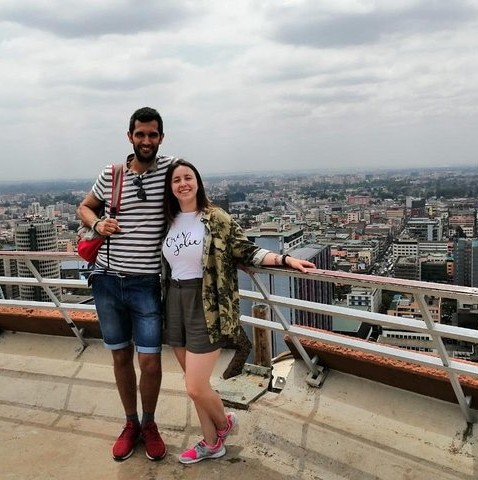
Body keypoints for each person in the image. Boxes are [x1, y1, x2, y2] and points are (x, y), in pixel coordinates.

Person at [161, 159, 316, 464]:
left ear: (197, 181)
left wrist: (285, 260)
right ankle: (211, 443)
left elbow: (248, 251)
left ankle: (222, 426)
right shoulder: (169, 220)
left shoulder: (216, 219)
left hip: (207, 304)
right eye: (176, 180)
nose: (183, 184)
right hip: (173, 301)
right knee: (196, 387)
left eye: (188, 177)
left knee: (195, 386)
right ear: (170, 187)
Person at [77, 107, 173, 462]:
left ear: (161, 138)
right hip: (106, 279)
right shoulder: (112, 174)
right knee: (120, 356)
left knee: (150, 361)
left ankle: (149, 423)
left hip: (145, 282)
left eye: (152, 135)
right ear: (130, 136)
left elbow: (195, 197)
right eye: (140, 134)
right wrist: (98, 223)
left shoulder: (169, 171)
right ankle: (130, 423)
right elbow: (85, 207)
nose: (146, 140)